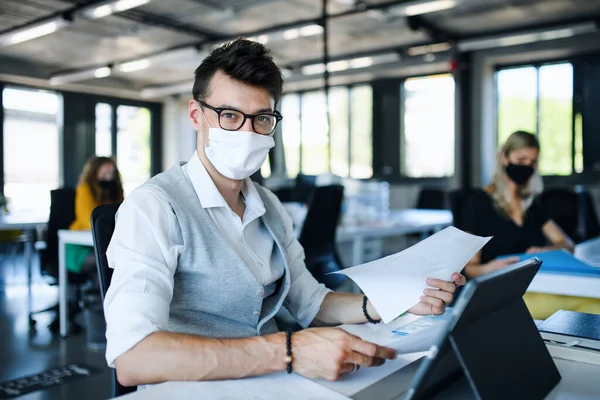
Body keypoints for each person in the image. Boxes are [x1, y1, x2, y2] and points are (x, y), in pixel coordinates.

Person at [104, 38, 466, 388]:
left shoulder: (269, 205)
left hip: (269, 383)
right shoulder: (154, 207)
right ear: (197, 115)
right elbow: (133, 358)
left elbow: (311, 302)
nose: (247, 131)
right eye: (230, 115)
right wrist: (288, 351)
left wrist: (396, 302)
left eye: (261, 118)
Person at [463, 131, 599, 318]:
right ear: (504, 157)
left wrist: (547, 249)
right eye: (521, 160)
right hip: (502, 291)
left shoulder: (531, 204)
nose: (527, 167)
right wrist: (489, 268)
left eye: (532, 162)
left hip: (536, 285)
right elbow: (470, 268)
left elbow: (567, 244)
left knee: (594, 302)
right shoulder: (479, 203)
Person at [67, 156, 124, 276]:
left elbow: (123, 215)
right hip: (80, 247)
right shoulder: (84, 189)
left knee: (120, 258)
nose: (108, 177)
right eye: (104, 174)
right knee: (108, 261)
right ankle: (98, 292)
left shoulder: (115, 189)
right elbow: (88, 220)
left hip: (106, 243)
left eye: (111, 173)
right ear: (94, 174)